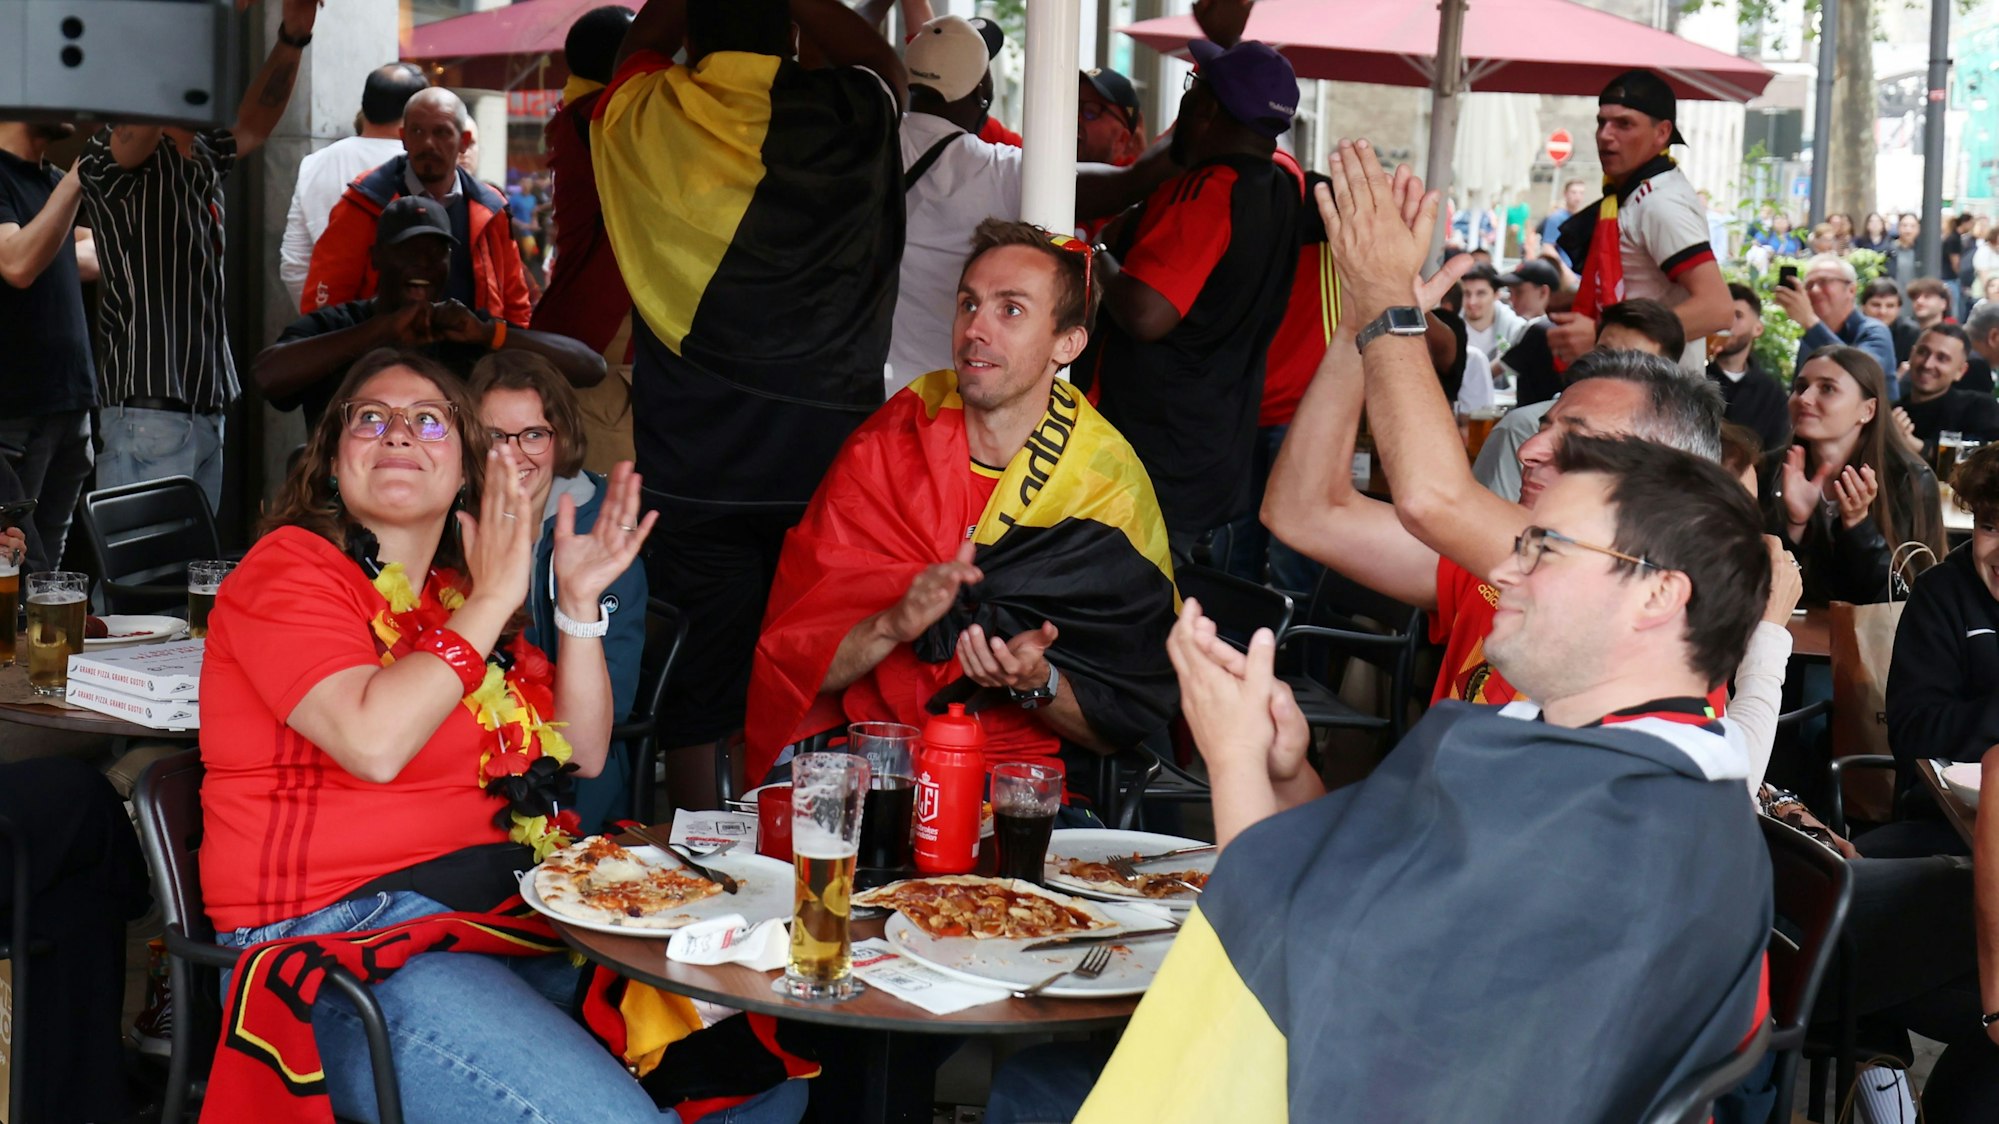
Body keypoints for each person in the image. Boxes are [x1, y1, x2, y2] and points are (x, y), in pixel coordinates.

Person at [1054, 439, 1773, 1123]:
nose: (1504, 571)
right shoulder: (1610, 761)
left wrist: (1232, 761)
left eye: (1542, 547)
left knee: (1032, 1091)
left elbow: (1306, 974)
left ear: (1656, 596)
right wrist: (1284, 769)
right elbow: (1373, 895)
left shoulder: (1623, 828)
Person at [198, 349, 804, 1123]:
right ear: (331, 459)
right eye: (370, 419)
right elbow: (371, 740)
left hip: (498, 920)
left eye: (429, 422)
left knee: (760, 1082)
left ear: (464, 472)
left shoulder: (451, 597)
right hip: (337, 948)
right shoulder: (289, 570)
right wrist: (492, 600)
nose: (397, 435)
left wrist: (576, 605)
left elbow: (576, 752)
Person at [1262, 142, 1727, 715]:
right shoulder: (1497, 559)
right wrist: (1357, 322)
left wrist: (1387, 304)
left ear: (1661, 481)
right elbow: (1301, 511)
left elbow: (1433, 500)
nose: (1531, 448)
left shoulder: (1651, 591)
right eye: (1547, 425)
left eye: (1576, 439)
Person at [594, 0, 906, 808]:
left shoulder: (643, 112)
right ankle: (813, 839)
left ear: (695, 35)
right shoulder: (851, 112)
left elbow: (640, 45)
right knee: (819, 672)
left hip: (697, 462)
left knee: (701, 679)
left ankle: (709, 850)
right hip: (825, 466)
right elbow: (889, 71)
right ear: (795, 32)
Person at [745, 219, 1176, 782]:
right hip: (871, 769)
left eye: (1011, 310)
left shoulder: (1106, 485)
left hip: (1023, 792)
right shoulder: (890, 443)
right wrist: (892, 623)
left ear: (1067, 343)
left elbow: (1123, 720)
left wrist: (1036, 682)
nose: (977, 329)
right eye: (968, 304)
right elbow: (797, 667)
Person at [77, 0, 317, 508]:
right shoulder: (113, 152)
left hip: (205, 406)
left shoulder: (203, 151)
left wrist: (294, 34)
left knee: (185, 579)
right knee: (141, 581)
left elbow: (256, 123)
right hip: (148, 412)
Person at [1078, 35, 1302, 569]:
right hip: (1212, 440)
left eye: (1195, 86)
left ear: (1205, 109)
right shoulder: (1280, 188)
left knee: (1131, 602)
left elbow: (1147, 313)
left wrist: (1099, 250)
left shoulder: (1211, 188)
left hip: (1154, 451)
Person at [886, 14, 1171, 393]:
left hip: (872, 380)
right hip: (951, 391)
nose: (1071, 121)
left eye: (1090, 112)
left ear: (1127, 135)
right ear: (983, 91)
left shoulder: (870, 140)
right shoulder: (995, 168)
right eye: (1072, 106)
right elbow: (1128, 184)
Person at [471, 351, 648, 832]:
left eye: (533, 434)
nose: (514, 453)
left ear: (561, 437)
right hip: (465, 760)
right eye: (493, 436)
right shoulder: (451, 521)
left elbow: (611, 712)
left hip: (569, 783)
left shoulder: (598, 535)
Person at [256, 196, 604, 428]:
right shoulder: (341, 323)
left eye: (435, 253)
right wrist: (381, 330)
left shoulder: (464, 330)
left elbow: (590, 368)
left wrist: (489, 335)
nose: (422, 263)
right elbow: (267, 377)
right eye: (408, 250)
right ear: (377, 257)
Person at [1549, 69, 1731, 373]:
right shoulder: (1635, 193)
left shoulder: (1662, 202)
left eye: (1624, 124)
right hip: (1632, 386)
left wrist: (1602, 336)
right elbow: (1643, 293)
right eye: (1601, 122)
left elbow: (1718, 309)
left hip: (1659, 398)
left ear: (1662, 133)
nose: (1606, 134)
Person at [302, 88, 532, 326]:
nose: (428, 143)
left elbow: (515, 305)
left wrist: (511, 354)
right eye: (417, 131)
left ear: (463, 141)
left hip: (471, 356)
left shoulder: (490, 208)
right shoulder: (366, 201)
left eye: (441, 132)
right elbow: (326, 305)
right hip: (382, 357)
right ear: (403, 137)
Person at [530, 4, 640, 474]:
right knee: (607, 502)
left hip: (589, 328)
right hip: (599, 340)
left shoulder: (587, 115)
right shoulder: (606, 119)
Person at [1763, 345, 1942, 605]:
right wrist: (1795, 525)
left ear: (1867, 410)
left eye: (1827, 388)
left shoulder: (1909, 480)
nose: (1805, 398)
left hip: (1875, 642)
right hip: (1788, 637)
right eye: (1801, 387)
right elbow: (1752, 584)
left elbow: (1906, 598)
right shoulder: (1769, 470)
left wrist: (1858, 524)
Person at [1472, 297, 1687, 504]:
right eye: (1605, 354)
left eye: (1635, 363)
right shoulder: (1523, 427)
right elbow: (1488, 520)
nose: (1614, 369)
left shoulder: (1674, 447)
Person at [0, 120, 97, 574]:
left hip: (71, 406)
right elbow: (17, 263)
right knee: (17, 570)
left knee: (47, 578)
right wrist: (80, 176)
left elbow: (92, 253)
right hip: (19, 412)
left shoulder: (55, 181)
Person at [279, 62, 428, 307]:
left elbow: (294, 264)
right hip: (410, 321)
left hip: (333, 323)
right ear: (417, 112)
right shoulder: (425, 167)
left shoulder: (315, 164)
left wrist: (322, 321)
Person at [1771, 252, 1902, 400]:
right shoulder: (1809, 337)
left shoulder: (1874, 331)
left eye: (1824, 282)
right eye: (1809, 285)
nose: (1814, 290)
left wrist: (1810, 321)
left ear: (1851, 290)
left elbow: (1860, 376)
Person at [1890, 324, 1999, 461]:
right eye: (1923, 352)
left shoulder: (1978, 407)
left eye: (1942, 358)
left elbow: (1988, 459)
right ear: (1911, 355)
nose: (1927, 364)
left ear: (1960, 371)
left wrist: (1918, 447)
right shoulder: (1892, 413)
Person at [1707, 282, 1791, 452]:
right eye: (1722, 315)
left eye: (1737, 316)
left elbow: (1775, 451)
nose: (1727, 323)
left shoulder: (1772, 394)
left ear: (1758, 328)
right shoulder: (1695, 376)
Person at [1078, 66, 1146, 167]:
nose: (1076, 119)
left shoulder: (1133, 182)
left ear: (1121, 140)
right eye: (1073, 108)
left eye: (1091, 111)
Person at [1457, 262, 1523, 361]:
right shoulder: (1450, 327)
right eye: (1467, 293)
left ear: (1496, 295)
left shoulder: (1514, 327)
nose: (1472, 302)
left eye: (1481, 293)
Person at [1863, 277, 1924, 364]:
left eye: (1890, 306)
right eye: (1876, 305)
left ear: (1898, 309)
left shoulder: (1910, 333)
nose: (1882, 312)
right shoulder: (1851, 330)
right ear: (1863, 306)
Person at [1496, 257, 1558, 322]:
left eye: (1519, 292)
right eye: (1510, 292)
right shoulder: (1511, 324)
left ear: (1543, 292)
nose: (1512, 300)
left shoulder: (1557, 328)